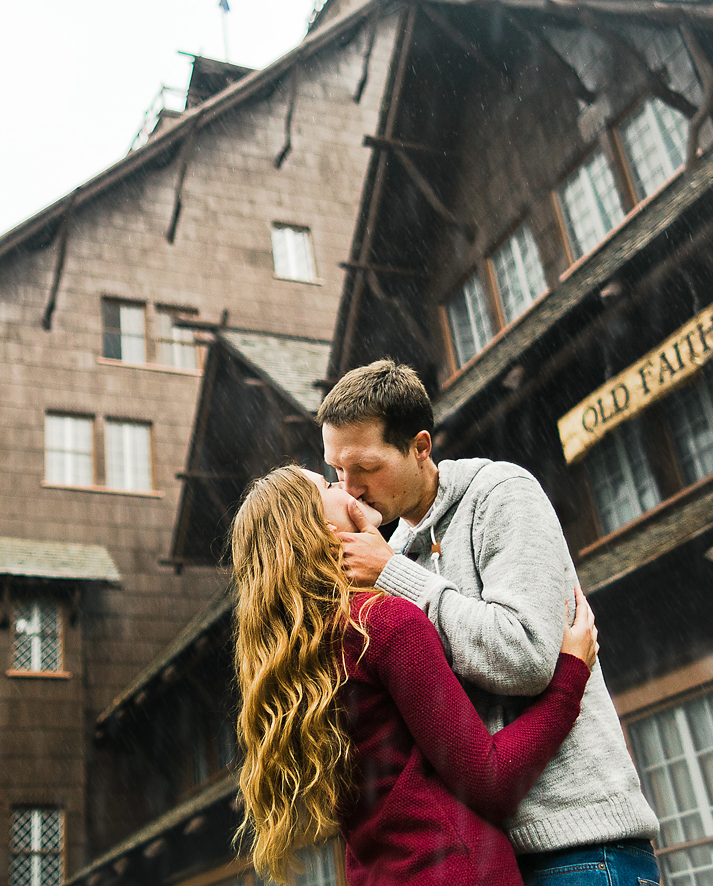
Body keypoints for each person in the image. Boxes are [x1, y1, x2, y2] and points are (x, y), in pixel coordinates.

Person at [320, 360, 660, 886]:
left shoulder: (500, 494)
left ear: (420, 447)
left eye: (365, 467)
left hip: (580, 843)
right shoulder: (389, 555)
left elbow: (526, 657)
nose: (352, 489)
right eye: (337, 471)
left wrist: (393, 575)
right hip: (493, 855)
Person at [230, 466, 599, 886]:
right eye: (330, 484)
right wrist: (571, 675)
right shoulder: (382, 624)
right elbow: (491, 780)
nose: (346, 486)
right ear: (321, 527)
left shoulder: (302, 657)